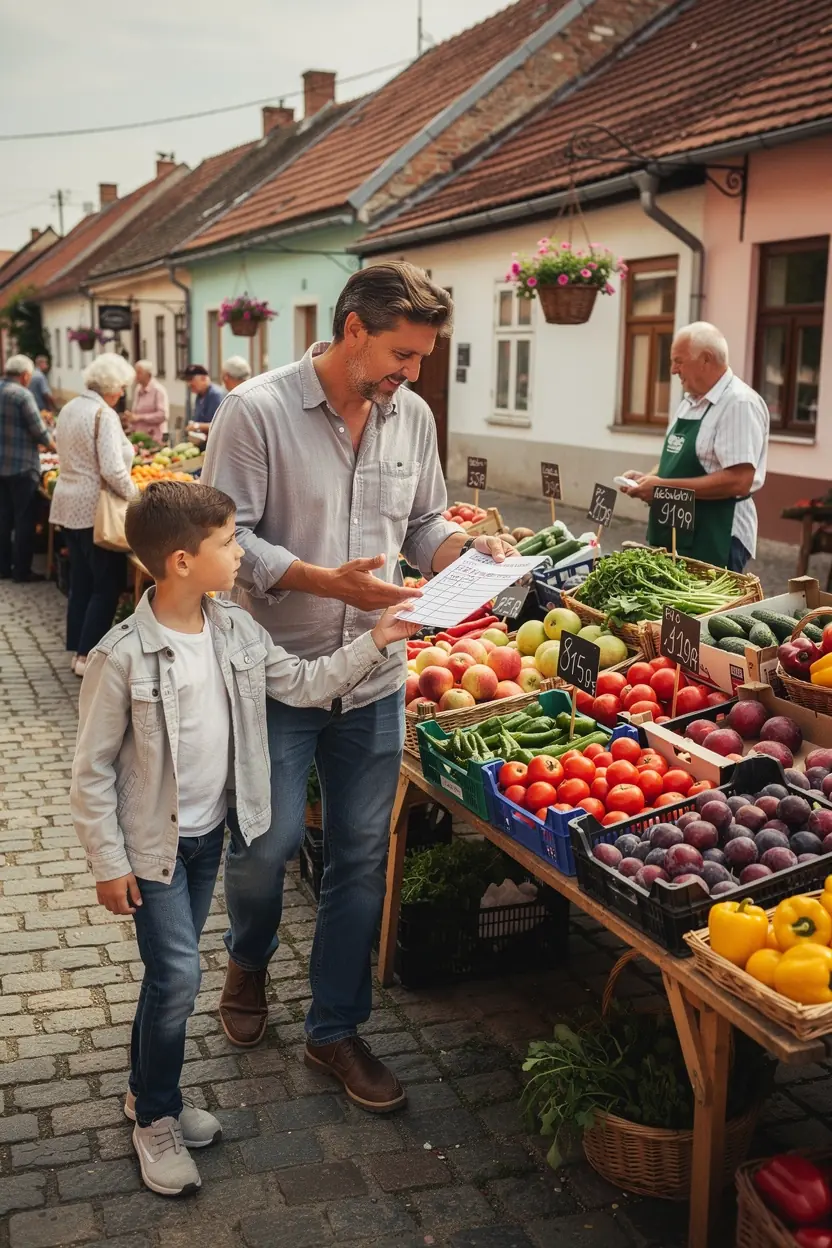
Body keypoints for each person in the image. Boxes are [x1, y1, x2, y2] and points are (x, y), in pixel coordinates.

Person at [203, 261, 517, 1111]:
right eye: (402, 355)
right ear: (352, 331)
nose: (411, 376)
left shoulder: (409, 416)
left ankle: (335, 1031)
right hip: (276, 672)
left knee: (362, 859)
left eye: (420, 360)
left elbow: (420, 523)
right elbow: (224, 543)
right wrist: (322, 580)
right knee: (265, 848)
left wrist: (463, 553)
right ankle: (247, 957)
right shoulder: (255, 411)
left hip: (376, 675)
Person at [70, 480, 418, 1198]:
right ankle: (155, 1121)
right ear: (179, 562)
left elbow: (303, 681)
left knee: (169, 980)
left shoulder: (234, 631)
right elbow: (90, 772)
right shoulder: (122, 656)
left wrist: (378, 642)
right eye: (228, 543)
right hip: (152, 851)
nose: (240, 553)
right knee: (178, 980)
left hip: (205, 844)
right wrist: (109, 863)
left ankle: (147, 1093)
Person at [619, 321, 769, 572]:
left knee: (704, 611)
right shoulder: (690, 401)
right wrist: (649, 478)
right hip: (675, 530)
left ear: (706, 359)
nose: (673, 370)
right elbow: (678, 462)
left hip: (716, 534)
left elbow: (739, 480)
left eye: (678, 361)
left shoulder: (739, 403)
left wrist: (662, 488)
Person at [49, 353, 138, 677]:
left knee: (82, 581)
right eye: (122, 387)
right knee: (107, 583)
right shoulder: (104, 414)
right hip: (95, 509)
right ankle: (89, 655)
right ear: (112, 387)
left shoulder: (70, 407)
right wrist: (137, 498)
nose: (123, 393)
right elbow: (112, 469)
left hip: (68, 504)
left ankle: (78, 649)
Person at [0, 354, 56, 583]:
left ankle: (3, 567)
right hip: (22, 466)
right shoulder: (22, 395)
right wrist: (54, 446)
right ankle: (21, 570)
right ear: (24, 375)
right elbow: (39, 431)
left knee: (3, 519)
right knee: (25, 520)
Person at [126, 360, 169, 442]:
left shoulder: (158, 390)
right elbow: (136, 413)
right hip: (139, 436)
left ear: (148, 375)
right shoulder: (138, 389)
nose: (136, 375)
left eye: (139, 373)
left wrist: (140, 417)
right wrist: (131, 418)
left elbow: (163, 415)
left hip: (154, 437)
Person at [183, 364, 223, 437]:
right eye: (187, 380)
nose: (189, 384)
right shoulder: (200, 395)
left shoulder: (215, 395)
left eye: (191, 379)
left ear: (204, 378)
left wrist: (197, 426)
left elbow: (219, 425)